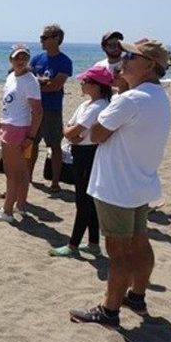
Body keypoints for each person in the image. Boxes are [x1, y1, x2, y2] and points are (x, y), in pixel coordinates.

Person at [70, 39, 171, 329]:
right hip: (140, 182)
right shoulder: (157, 96)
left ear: (149, 65)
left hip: (117, 185)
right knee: (139, 241)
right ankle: (136, 296)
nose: (122, 59)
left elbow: (98, 133)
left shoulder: (131, 99)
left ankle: (109, 310)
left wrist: (120, 98)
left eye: (130, 55)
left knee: (118, 251)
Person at [49, 65, 112, 257]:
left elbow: (73, 131)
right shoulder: (85, 105)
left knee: (84, 201)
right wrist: (71, 133)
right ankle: (93, 243)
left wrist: (71, 133)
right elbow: (68, 128)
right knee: (87, 200)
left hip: (89, 154)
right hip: (80, 151)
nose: (82, 83)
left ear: (97, 85)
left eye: (86, 81)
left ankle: (73, 244)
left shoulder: (99, 106)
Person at [0, 45, 42, 223]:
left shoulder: (30, 80)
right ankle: (21, 205)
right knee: (21, 170)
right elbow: (6, 106)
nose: (20, 61)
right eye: (17, 57)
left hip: (18, 128)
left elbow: (38, 112)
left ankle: (7, 210)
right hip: (8, 125)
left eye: (24, 57)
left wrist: (31, 137)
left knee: (12, 171)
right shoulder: (11, 76)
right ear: (11, 59)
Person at [29, 24, 72, 191]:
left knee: (54, 145)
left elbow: (55, 86)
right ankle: (29, 176)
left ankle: (55, 182)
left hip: (52, 108)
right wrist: (41, 83)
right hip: (35, 107)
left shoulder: (64, 61)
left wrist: (39, 84)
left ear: (56, 39)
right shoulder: (37, 58)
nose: (41, 40)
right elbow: (28, 80)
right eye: (41, 37)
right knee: (32, 143)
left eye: (44, 37)